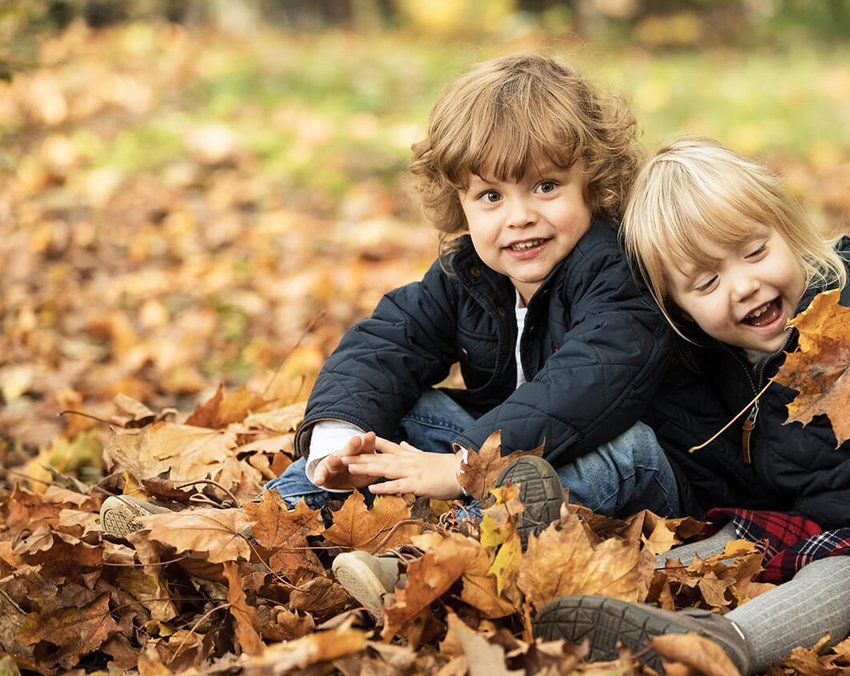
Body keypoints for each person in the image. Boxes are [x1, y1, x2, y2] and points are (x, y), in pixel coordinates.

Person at [102, 54, 691, 614]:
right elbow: (388, 341)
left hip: (647, 483)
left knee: (624, 446)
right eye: (491, 195)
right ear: (459, 204)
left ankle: (428, 555)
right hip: (501, 462)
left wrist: (462, 468)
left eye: (546, 187)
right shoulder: (470, 274)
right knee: (409, 405)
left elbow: (588, 382)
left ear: (593, 181)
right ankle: (263, 524)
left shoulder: (618, 270)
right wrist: (339, 439)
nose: (519, 216)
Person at [533, 137, 850, 674]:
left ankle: (720, 647)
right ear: (680, 309)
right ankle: (593, 598)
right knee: (732, 542)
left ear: (789, 232)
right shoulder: (735, 367)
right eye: (706, 283)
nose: (744, 285)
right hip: (837, 523)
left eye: (754, 252)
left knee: (844, 575)